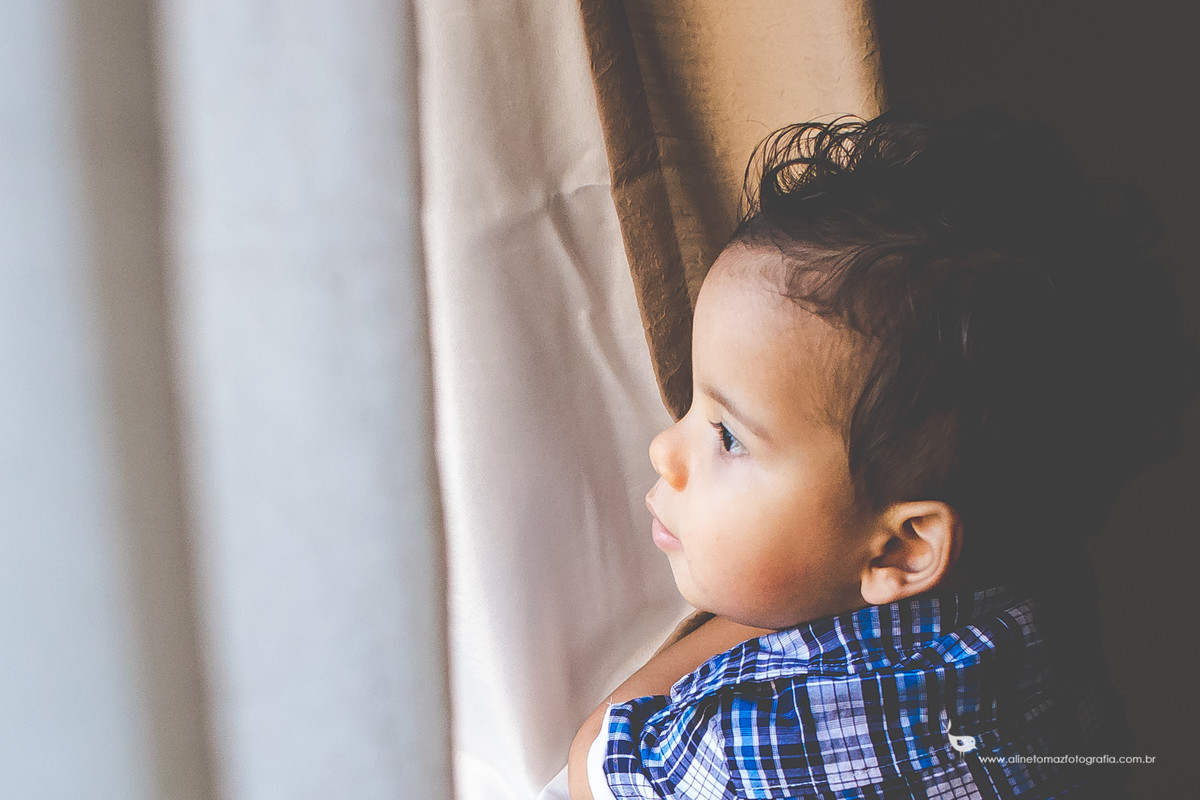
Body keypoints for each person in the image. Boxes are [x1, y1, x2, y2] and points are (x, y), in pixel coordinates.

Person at [566, 108, 1198, 800]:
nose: (665, 449)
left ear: (903, 548)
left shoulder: (755, 742)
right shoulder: (1047, 594)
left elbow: (597, 759)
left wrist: (750, 596)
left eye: (728, 436)